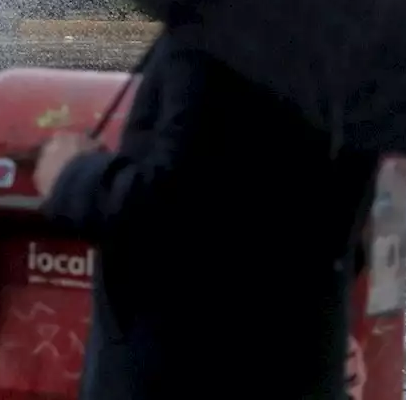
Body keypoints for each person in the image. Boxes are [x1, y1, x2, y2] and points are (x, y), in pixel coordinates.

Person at [34, 21, 377, 399]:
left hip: (188, 367)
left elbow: (178, 207)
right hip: (302, 362)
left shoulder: (220, 26)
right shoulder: (359, 43)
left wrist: (69, 176)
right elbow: (340, 227)